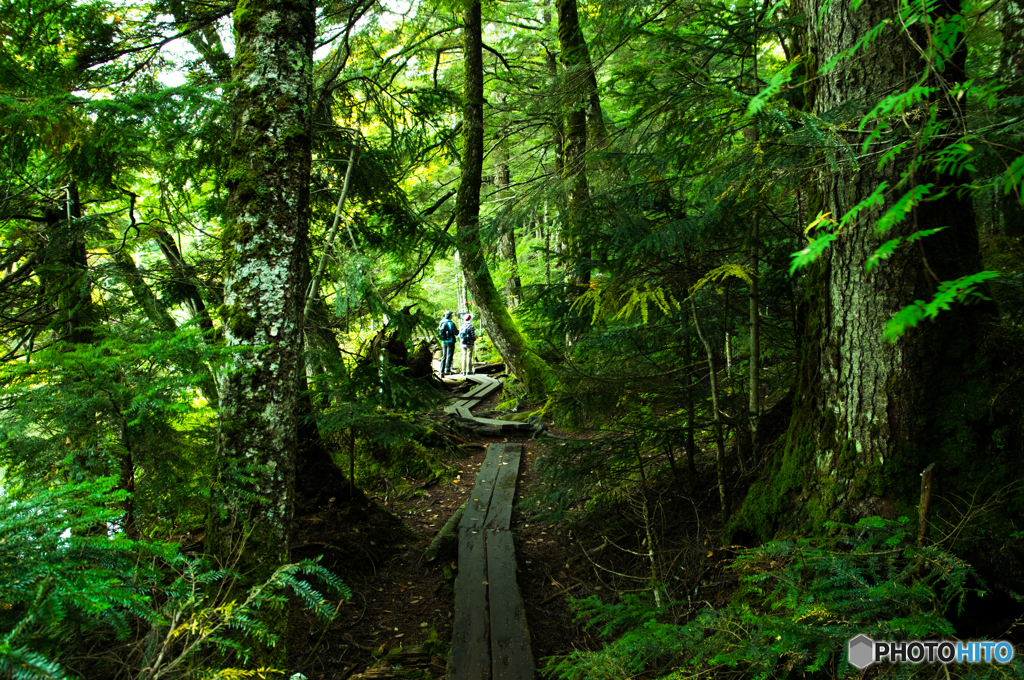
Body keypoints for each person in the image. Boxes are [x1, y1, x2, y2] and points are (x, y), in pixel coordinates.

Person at [438, 311, 457, 377]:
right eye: (451, 315)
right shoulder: (451, 323)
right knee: (449, 355)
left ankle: (441, 370)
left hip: (444, 341)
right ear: (449, 316)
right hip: (450, 341)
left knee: (444, 355)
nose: (452, 316)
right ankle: (447, 369)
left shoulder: (441, 322)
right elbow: (455, 332)